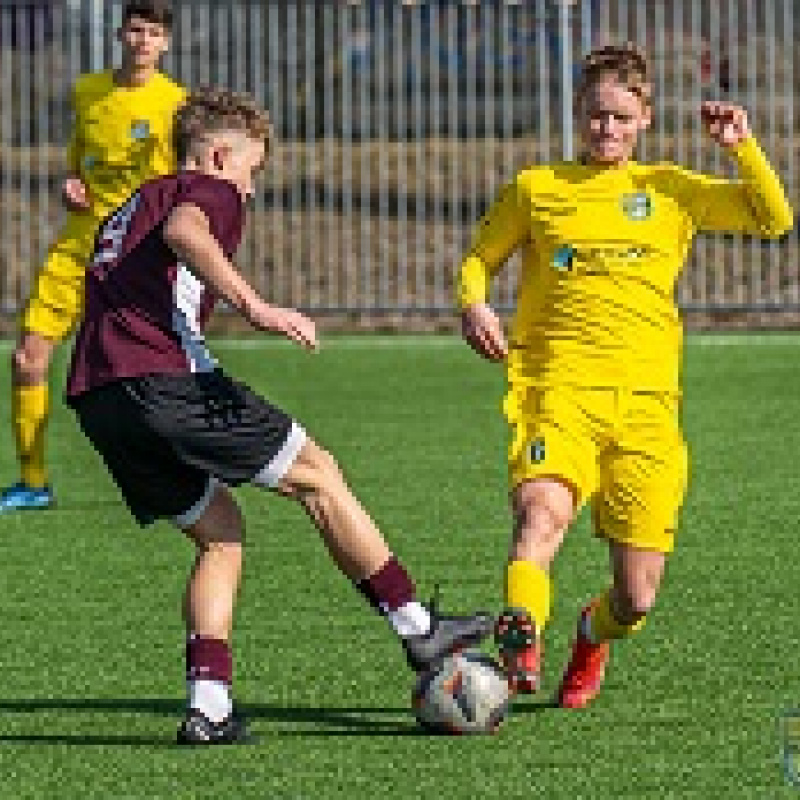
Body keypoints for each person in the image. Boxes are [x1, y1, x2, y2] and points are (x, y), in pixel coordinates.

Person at [65, 87, 492, 745]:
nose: (252, 191)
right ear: (216, 154)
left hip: (100, 399)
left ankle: (208, 708)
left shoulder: (132, 204)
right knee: (319, 474)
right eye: (251, 171)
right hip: (165, 379)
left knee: (221, 532)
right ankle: (418, 630)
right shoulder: (207, 191)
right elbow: (187, 233)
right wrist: (257, 306)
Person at [457, 43, 792, 707]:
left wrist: (741, 147)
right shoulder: (537, 189)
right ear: (578, 115)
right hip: (559, 392)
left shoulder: (669, 191)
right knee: (539, 515)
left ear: (644, 120)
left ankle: (590, 632)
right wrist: (473, 302)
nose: (604, 129)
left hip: (647, 409)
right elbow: (479, 259)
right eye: (594, 115)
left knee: (635, 598)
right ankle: (523, 636)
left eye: (618, 117)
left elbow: (772, 218)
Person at [1, 0, 185, 512]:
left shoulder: (177, 104)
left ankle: (181, 470)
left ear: (165, 43)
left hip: (135, 256)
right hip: (78, 245)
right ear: (120, 35)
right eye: (135, 30)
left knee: (153, 374)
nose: (142, 40)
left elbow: (180, 185)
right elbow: (80, 164)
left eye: (153, 33)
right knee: (27, 360)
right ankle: (33, 483)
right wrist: (73, 187)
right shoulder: (88, 91)